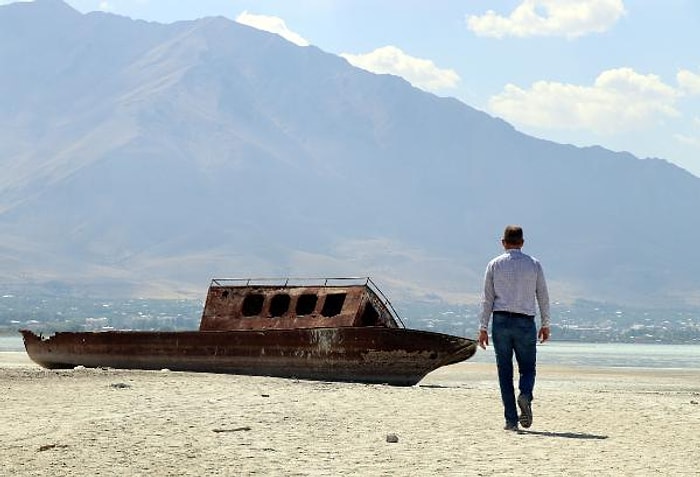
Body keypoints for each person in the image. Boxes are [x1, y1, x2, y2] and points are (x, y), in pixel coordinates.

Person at [478, 225, 550, 431]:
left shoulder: (494, 265)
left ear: (503, 242)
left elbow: (487, 299)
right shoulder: (534, 265)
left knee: (504, 372)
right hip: (525, 321)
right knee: (528, 368)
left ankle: (511, 421)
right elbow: (543, 296)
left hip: (500, 321)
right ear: (522, 242)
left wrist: (483, 327)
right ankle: (525, 394)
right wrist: (545, 324)